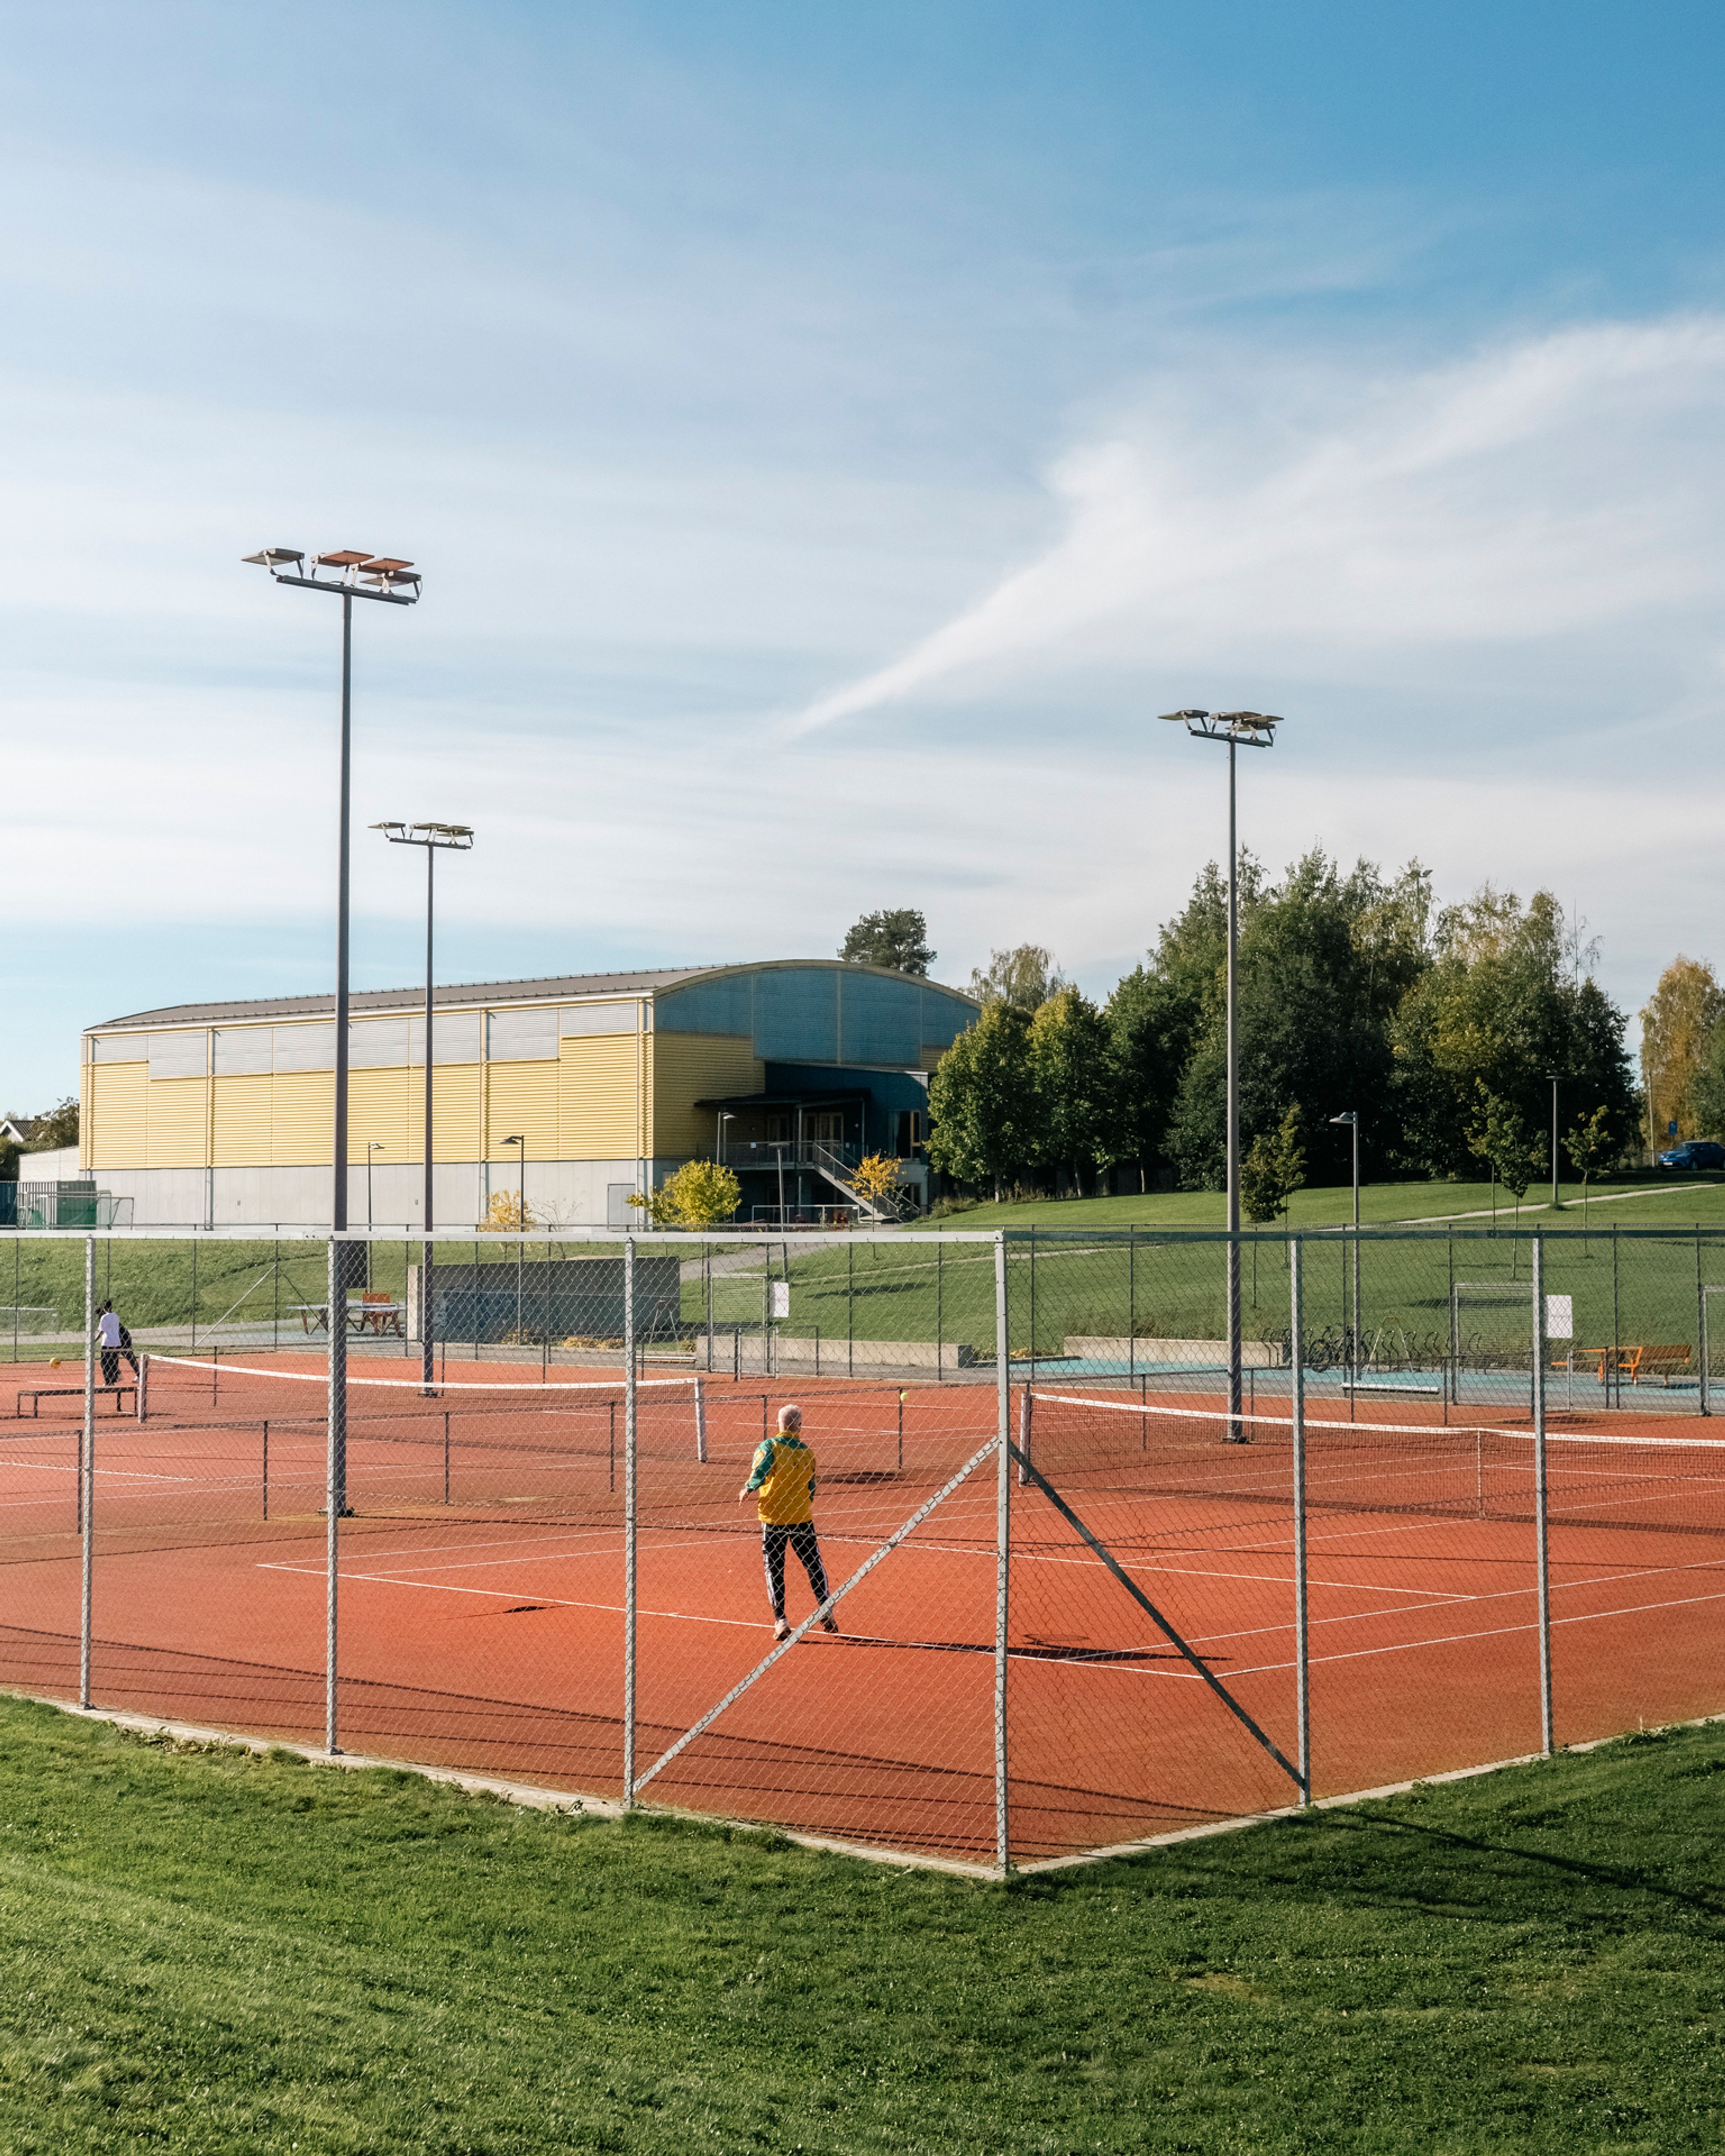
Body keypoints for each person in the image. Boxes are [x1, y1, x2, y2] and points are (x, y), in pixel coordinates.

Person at [738, 1403, 840, 1642]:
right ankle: (826, 1608)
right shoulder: (807, 1453)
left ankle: (781, 1620)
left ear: (778, 1424)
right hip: (801, 1518)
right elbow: (812, 1487)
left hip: (774, 1518)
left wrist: (748, 1488)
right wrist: (804, 1503)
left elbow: (760, 1470)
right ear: (800, 1426)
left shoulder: (770, 1446)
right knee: (813, 1564)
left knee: (774, 1568)